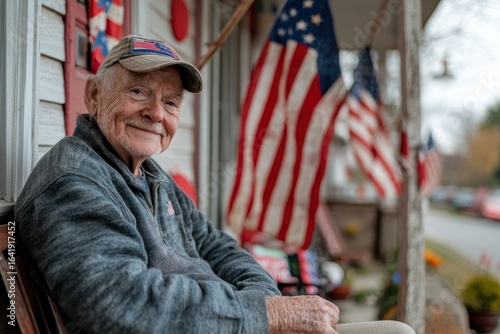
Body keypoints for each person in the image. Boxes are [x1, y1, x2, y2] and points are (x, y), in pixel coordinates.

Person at [15, 35, 415, 334]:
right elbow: (119, 303)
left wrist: (265, 301)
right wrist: (267, 315)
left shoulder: (148, 175)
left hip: (227, 323)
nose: (156, 113)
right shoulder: (73, 182)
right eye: (138, 91)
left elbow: (215, 244)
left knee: (397, 331)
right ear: (94, 96)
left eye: (170, 102)